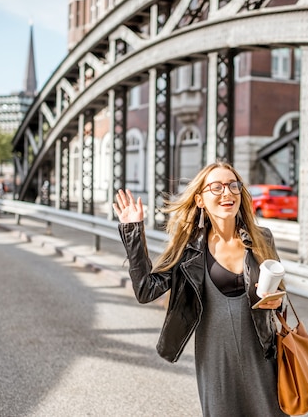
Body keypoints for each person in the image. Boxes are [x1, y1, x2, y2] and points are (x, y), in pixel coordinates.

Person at [113, 161, 288, 417]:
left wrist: (275, 300)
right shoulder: (189, 250)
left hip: (261, 355)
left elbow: (278, 296)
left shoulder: (262, 238)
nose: (227, 193)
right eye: (216, 187)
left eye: (233, 185)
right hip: (215, 360)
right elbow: (146, 290)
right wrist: (133, 231)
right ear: (200, 200)